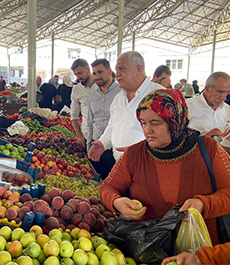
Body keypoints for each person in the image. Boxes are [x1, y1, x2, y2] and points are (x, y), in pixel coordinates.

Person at [99, 89, 230, 245]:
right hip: (148, 250)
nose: (148, 130)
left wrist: (204, 205)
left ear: (175, 122)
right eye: (143, 123)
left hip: (198, 253)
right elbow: (108, 186)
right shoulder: (135, 154)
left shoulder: (208, 149)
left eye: (155, 123)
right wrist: (116, 202)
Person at [89, 51, 166, 163]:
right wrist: (103, 143)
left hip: (149, 166)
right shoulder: (119, 98)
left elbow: (171, 136)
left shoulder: (160, 96)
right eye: (117, 70)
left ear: (138, 69)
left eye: (122, 69)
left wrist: (141, 150)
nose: (118, 74)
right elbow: (113, 125)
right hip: (120, 165)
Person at [85, 59, 121, 179]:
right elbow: (90, 122)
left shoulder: (121, 93)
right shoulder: (93, 95)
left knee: (115, 183)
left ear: (109, 71)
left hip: (113, 150)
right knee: (99, 184)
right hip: (96, 147)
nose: (97, 77)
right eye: (94, 73)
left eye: (100, 72)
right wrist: (88, 146)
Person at [187, 72, 230, 144]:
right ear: (207, 88)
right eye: (220, 92)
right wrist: (203, 139)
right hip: (195, 153)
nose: (224, 98)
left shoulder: (227, 109)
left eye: (227, 92)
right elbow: (175, 141)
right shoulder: (187, 107)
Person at [70, 59, 94, 146]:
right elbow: (74, 114)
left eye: (80, 73)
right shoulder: (76, 90)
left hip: (105, 137)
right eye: (76, 74)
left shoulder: (101, 86)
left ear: (88, 69)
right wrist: (79, 136)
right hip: (86, 136)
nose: (78, 77)